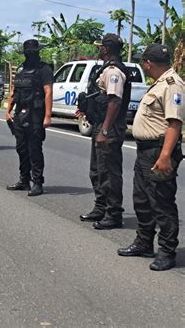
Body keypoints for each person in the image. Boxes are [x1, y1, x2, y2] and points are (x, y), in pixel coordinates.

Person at [118, 44, 184, 271]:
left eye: (143, 62)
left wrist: (165, 155)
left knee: (162, 202)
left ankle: (167, 251)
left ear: (148, 63)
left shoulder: (172, 85)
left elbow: (175, 123)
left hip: (159, 150)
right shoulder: (158, 84)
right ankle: (144, 242)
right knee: (142, 200)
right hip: (145, 151)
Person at [76, 33, 131, 230]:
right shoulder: (105, 69)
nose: (99, 49)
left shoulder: (114, 71)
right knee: (97, 171)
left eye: (101, 47)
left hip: (110, 128)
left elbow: (115, 101)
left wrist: (105, 130)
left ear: (106, 49)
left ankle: (113, 213)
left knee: (109, 172)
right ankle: (101, 208)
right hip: (101, 124)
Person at [5, 39, 53, 196]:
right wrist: (8, 110)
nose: (30, 55)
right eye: (28, 52)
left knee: (34, 149)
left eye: (32, 52)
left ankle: (37, 182)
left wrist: (47, 116)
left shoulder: (44, 69)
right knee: (21, 149)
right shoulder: (21, 69)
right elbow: (13, 90)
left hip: (35, 114)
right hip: (20, 113)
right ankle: (23, 180)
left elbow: (48, 92)